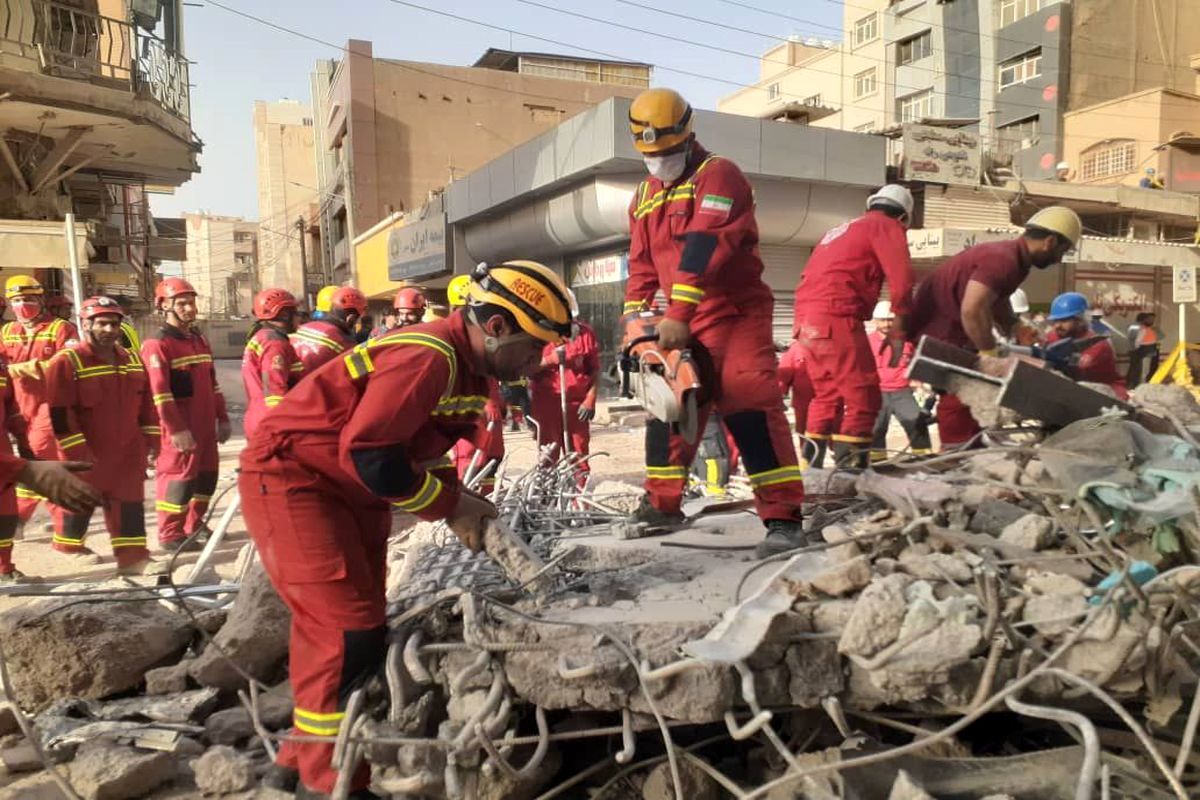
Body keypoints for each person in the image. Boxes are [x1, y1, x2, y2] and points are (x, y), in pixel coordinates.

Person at [239, 260, 572, 799]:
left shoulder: (467, 367)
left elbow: (420, 446)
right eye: (534, 347)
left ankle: (300, 758)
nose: (539, 362)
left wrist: (459, 499)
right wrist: (448, 507)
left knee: (348, 622)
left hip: (342, 488)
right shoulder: (428, 356)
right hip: (297, 480)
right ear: (497, 327)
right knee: (347, 632)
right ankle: (329, 784)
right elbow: (372, 454)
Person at [623, 87, 805, 557]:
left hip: (735, 314)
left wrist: (679, 313)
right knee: (668, 409)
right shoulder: (643, 196)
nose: (657, 160)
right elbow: (641, 266)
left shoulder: (718, 175)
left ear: (687, 134)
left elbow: (707, 245)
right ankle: (661, 504)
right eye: (649, 153)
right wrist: (634, 325)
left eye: (665, 150)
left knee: (748, 405)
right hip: (679, 320)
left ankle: (783, 518)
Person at [907, 206, 1082, 448]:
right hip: (943, 336)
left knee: (966, 402)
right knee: (963, 397)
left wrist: (1014, 324)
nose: (1059, 259)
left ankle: (966, 453)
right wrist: (988, 354)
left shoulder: (1012, 259)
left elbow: (994, 300)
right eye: (1062, 251)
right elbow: (972, 309)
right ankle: (957, 458)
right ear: (1050, 241)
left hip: (947, 334)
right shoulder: (1004, 260)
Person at [793, 184, 915, 469]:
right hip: (836, 316)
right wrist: (899, 327)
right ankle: (849, 476)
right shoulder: (886, 226)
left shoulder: (842, 229)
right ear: (903, 218)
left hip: (806, 320)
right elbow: (902, 281)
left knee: (826, 395)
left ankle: (810, 472)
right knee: (865, 396)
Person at [44, 296, 165, 574]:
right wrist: (77, 452)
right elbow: (60, 414)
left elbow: (146, 404)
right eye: (102, 324)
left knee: (129, 503)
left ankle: (133, 559)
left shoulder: (132, 359)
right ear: (85, 324)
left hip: (128, 450)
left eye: (114, 323)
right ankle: (68, 546)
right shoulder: (67, 361)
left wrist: (152, 442)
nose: (110, 330)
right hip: (88, 451)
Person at [142, 278, 231, 551]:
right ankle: (170, 534)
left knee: (206, 478)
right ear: (164, 306)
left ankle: (194, 525)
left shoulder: (198, 340)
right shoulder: (157, 345)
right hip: (180, 429)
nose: (189, 309)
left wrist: (223, 417)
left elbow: (212, 383)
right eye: (181, 303)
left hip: (204, 425)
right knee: (178, 480)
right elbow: (159, 393)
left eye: (191, 302)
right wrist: (176, 429)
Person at [1, 275, 79, 525]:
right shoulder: (7, 331)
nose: (23, 305)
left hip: (50, 406)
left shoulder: (61, 328)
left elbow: (67, 365)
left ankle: (66, 536)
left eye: (28, 299)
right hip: (17, 408)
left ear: (41, 300)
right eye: (17, 300)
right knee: (29, 463)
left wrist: (23, 368)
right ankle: (16, 520)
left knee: (43, 460)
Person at [443, 275, 505, 494]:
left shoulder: (481, 333)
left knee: (491, 462)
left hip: (489, 418)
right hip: (468, 415)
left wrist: (498, 402)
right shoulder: (450, 339)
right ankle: (466, 514)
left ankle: (485, 505)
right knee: (469, 464)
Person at [528, 315, 600, 475]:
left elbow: (594, 369)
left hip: (577, 403)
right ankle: (548, 496)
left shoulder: (584, 333)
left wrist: (590, 399)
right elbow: (526, 369)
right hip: (547, 403)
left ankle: (578, 495)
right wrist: (548, 360)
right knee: (548, 455)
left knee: (579, 454)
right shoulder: (535, 333)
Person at [867, 301, 932, 461]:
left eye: (890, 320)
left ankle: (925, 463)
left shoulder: (907, 341)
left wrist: (919, 382)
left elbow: (917, 362)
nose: (886, 324)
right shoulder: (866, 342)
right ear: (875, 321)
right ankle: (878, 467)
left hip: (903, 392)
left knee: (918, 427)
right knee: (876, 431)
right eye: (882, 320)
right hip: (877, 393)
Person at [1043, 292, 1129, 399]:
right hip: (1075, 390)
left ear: (1081, 320)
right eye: (1055, 321)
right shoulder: (1053, 336)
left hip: (1105, 393)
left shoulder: (1097, 345)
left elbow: (1076, 373)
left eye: (1064, 320)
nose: (1057, 326)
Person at [242, 289, 302, 439]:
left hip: (258, 416)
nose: (299, 317)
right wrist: (282, 425)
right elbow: (275, 389)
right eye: (296, 312)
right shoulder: (276, 344)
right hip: (272, 422)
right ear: (284, 315)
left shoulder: (262, 336)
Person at [291, 286, 366, 376]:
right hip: (317, 388)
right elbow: (361, 376)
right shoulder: (344, 342)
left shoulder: (300, 329)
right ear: (351, 318)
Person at [776, 340, 816, 457]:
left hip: (831, 399)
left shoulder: (834, 343)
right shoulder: (796, 348)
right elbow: (784, 373)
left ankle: (842, 457)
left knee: (834, 429)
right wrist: (779, 395)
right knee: (805, 431)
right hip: (804, 402)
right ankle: (808, 458)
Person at [1126, 311, 1161, 387]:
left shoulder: (1135, 327)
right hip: (1144, 350)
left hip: (1139, 350)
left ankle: (1132, 384)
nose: (1150, 321)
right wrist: (1136, 348)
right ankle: (1140, 385)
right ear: (1144, 319)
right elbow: (1137, 340)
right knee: (1143, 369)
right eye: (1148, 319)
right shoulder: (1142, 328)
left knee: (1136, 369)